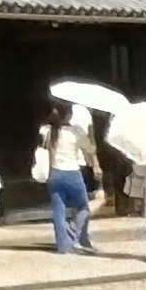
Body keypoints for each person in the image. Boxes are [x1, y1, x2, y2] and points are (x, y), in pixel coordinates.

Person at [41, 106, 100, 255]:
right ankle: (76, 237)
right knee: (83, 207)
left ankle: (63, 246)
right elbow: (90, 149)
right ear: (68, 115)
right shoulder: (75, 132)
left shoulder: (47, 131)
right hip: (72, 173)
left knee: (58, 210)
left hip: (54, 173)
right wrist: (91, 135)